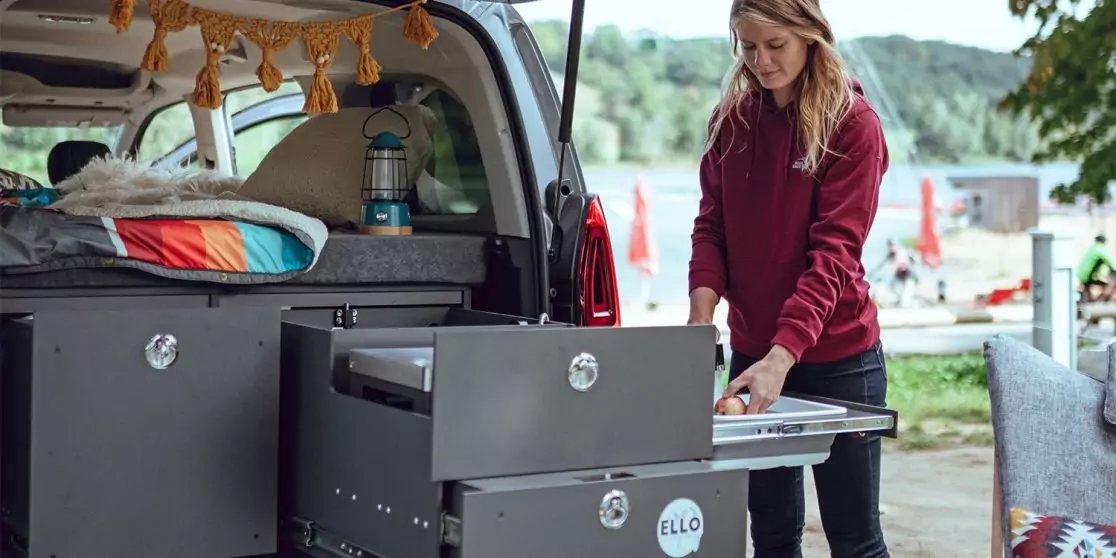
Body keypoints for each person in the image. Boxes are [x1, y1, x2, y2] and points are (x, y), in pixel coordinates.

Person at [686, 1, 890, 556]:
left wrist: (784, 356)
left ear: (810, 37)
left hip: (842, 362)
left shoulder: (854, 125)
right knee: (772, 536)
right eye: (747, 46)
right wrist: (700, 320)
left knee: (855, 540)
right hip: (753, 359)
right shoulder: (731, 121)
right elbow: (711, 228)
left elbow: (835, 255)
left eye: (775, 45)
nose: (761, 60)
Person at [1077, 234, 1116, 303]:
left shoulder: (1092, 248)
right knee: (1107, 285)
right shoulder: (1099, 249)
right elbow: (1110, 262)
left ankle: (1091, 302)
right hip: (1088, 276)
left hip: (1082, 275)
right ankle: (1100, 301)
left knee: (1088, 291)